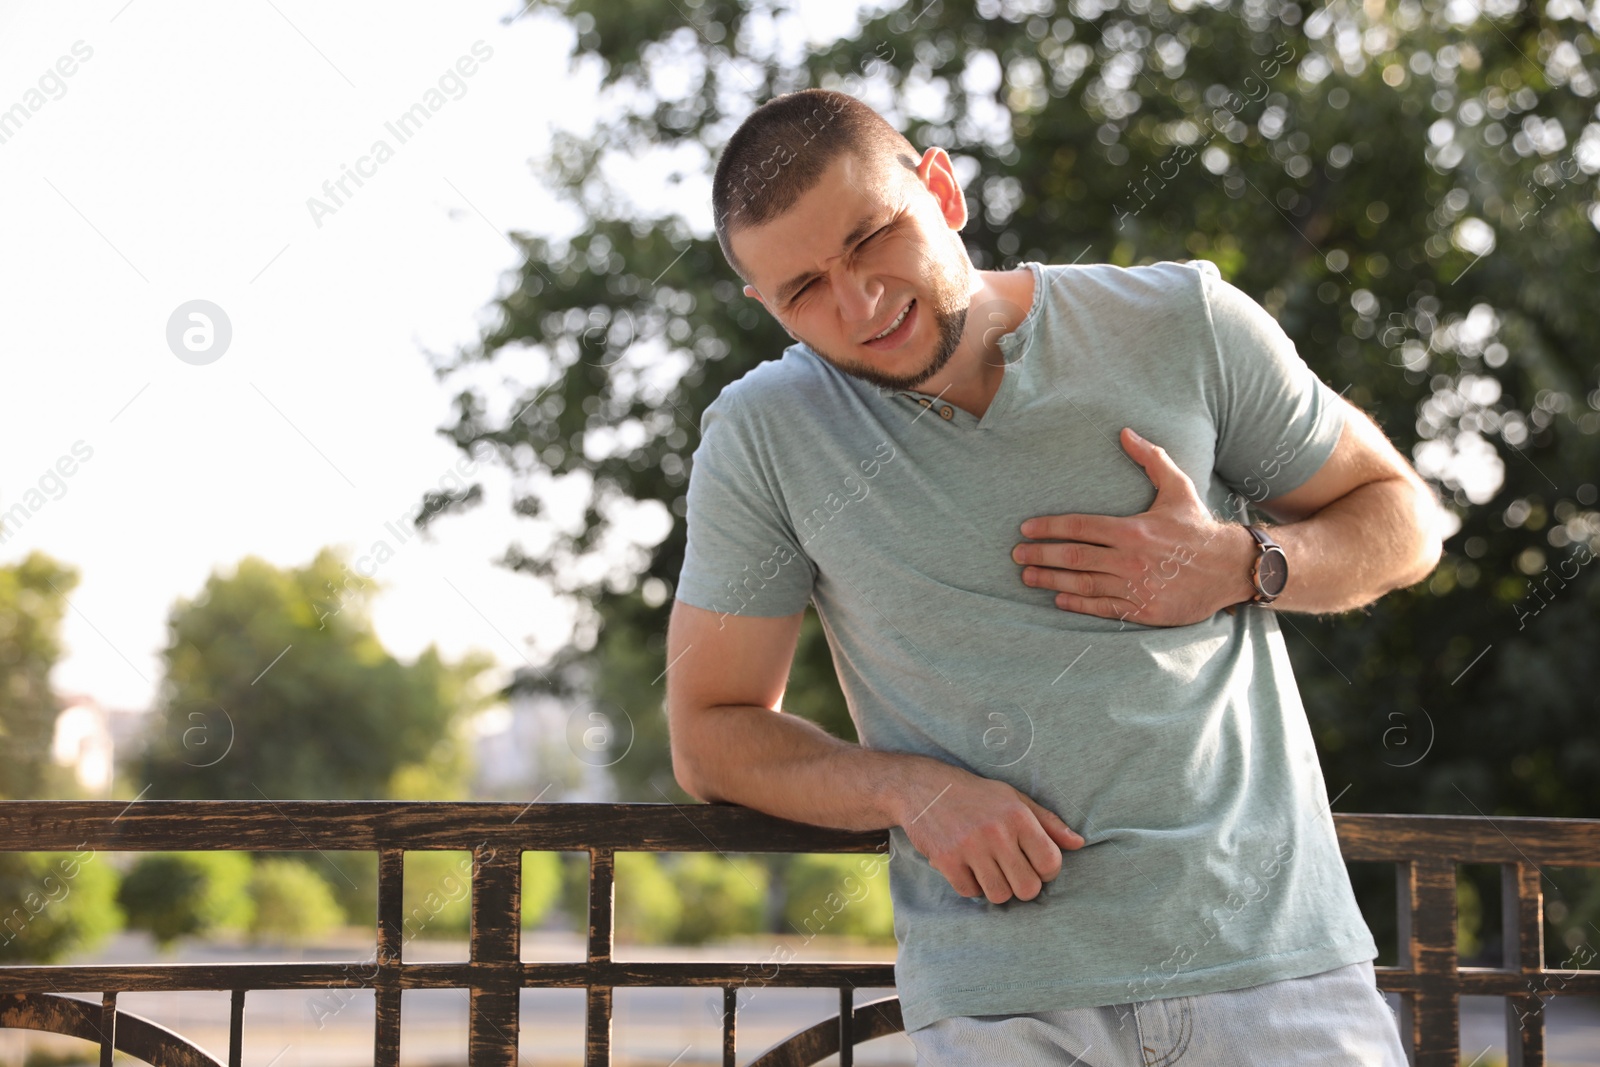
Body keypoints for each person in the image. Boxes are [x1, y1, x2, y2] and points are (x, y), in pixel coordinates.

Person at [664, 87, 1440, 1065]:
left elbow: (1404, 518)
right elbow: (712, 732)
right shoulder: (763, 432)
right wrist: (909, 789)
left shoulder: (1180, 320)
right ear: (765, 305)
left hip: (1275, 968)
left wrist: (1244, 562)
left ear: (940, 188)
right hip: (1000, 1006)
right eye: (803, 288)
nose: (857, 302)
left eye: (869, 238)